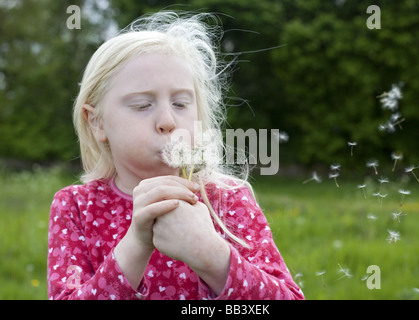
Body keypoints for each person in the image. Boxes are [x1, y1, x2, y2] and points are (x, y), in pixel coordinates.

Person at [47, 11, 305, 300]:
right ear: (97, 123)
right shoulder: (76, 208)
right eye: (143, 105)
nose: (167, 120)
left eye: (181, 103)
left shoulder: (228, 200)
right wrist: (137, 243)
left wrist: (211, 256)